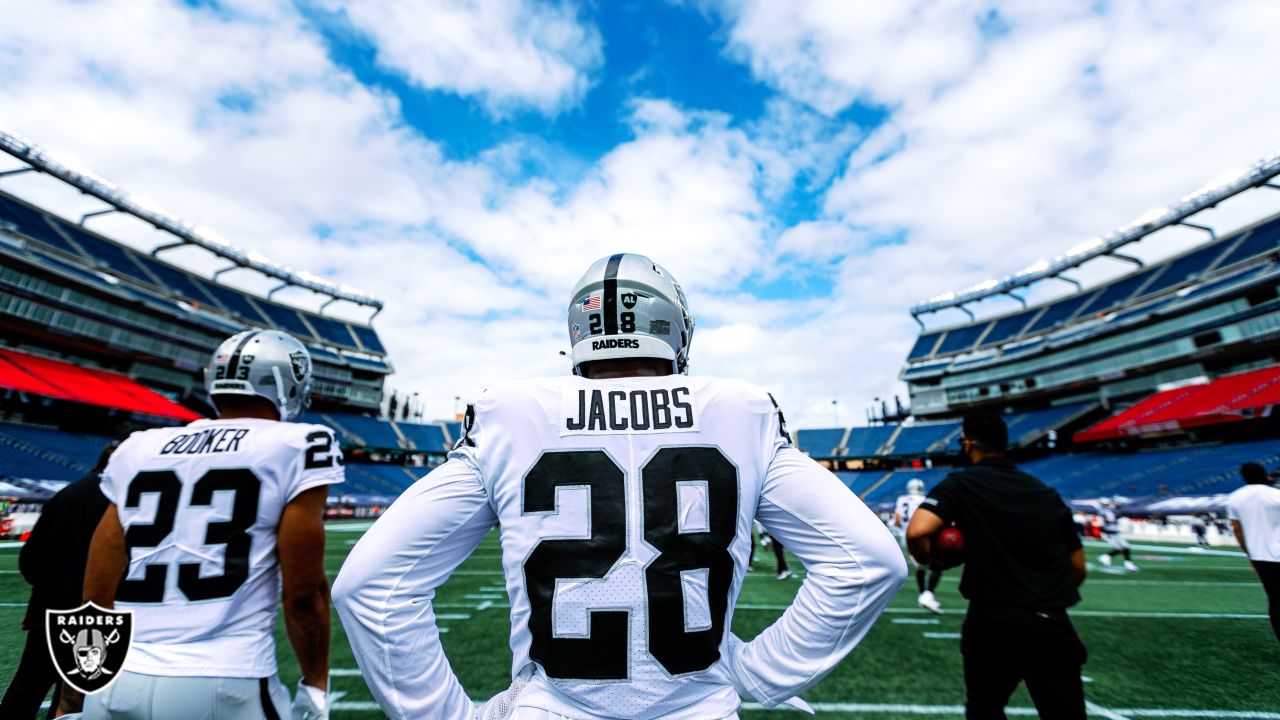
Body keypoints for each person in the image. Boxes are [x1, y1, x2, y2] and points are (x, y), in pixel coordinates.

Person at [334, 253, 907, 720]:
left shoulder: (509, 412)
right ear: (674, 328)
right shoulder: (740, 409)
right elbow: (869, 562)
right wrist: (758, 673)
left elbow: (369, 587)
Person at [73, 330, 343, 719]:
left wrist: (75, 692)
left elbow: (95, 594)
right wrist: (316, 684)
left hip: (117, 679)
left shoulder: (138, 447)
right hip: (225, 678)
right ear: (289, 384)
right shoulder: (299, 444)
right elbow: (303, 593)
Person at [906, 413, 1088, 720]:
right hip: (1052, 621)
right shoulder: (1046, 493)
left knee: (985, 711)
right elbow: (1078, 568)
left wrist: (930, 561)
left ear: (968, 444)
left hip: (993, 620)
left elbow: (917, 531)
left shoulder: (961, 484)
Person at [0, 443, 113, 719]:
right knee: (75, 697)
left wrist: (47, 587)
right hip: (92, 612)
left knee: (27, 687)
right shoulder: (119, 500)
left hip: (48, 605)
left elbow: (30, 558)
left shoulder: (68, 493)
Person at [1226, 462, 1280, 644]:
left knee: (1275, 600)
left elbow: (1237, 530)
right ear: (1265, 474)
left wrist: (1248, 554)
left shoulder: (1235, 498)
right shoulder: (1276, 494)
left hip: (1259, 557)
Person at [894, 478, 944, 614]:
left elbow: (897, 521)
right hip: (919, 536)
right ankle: (927, 594)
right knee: (938, 565)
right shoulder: (925, 499)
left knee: (920, 567)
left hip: (905, 537)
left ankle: (923, 595)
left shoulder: (901, 499)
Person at [1095, 499, 1138, 572]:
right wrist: (1114, 521)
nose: (1108, 505)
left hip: (1114, 531)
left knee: (1125, 547)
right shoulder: (1102, 512)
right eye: (1106, 504)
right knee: (1120, 548)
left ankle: (1128, 564)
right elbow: (1104, 522)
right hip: (1109, 532)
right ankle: (1106, 557)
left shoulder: (1108, 511)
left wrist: (1115, 521)